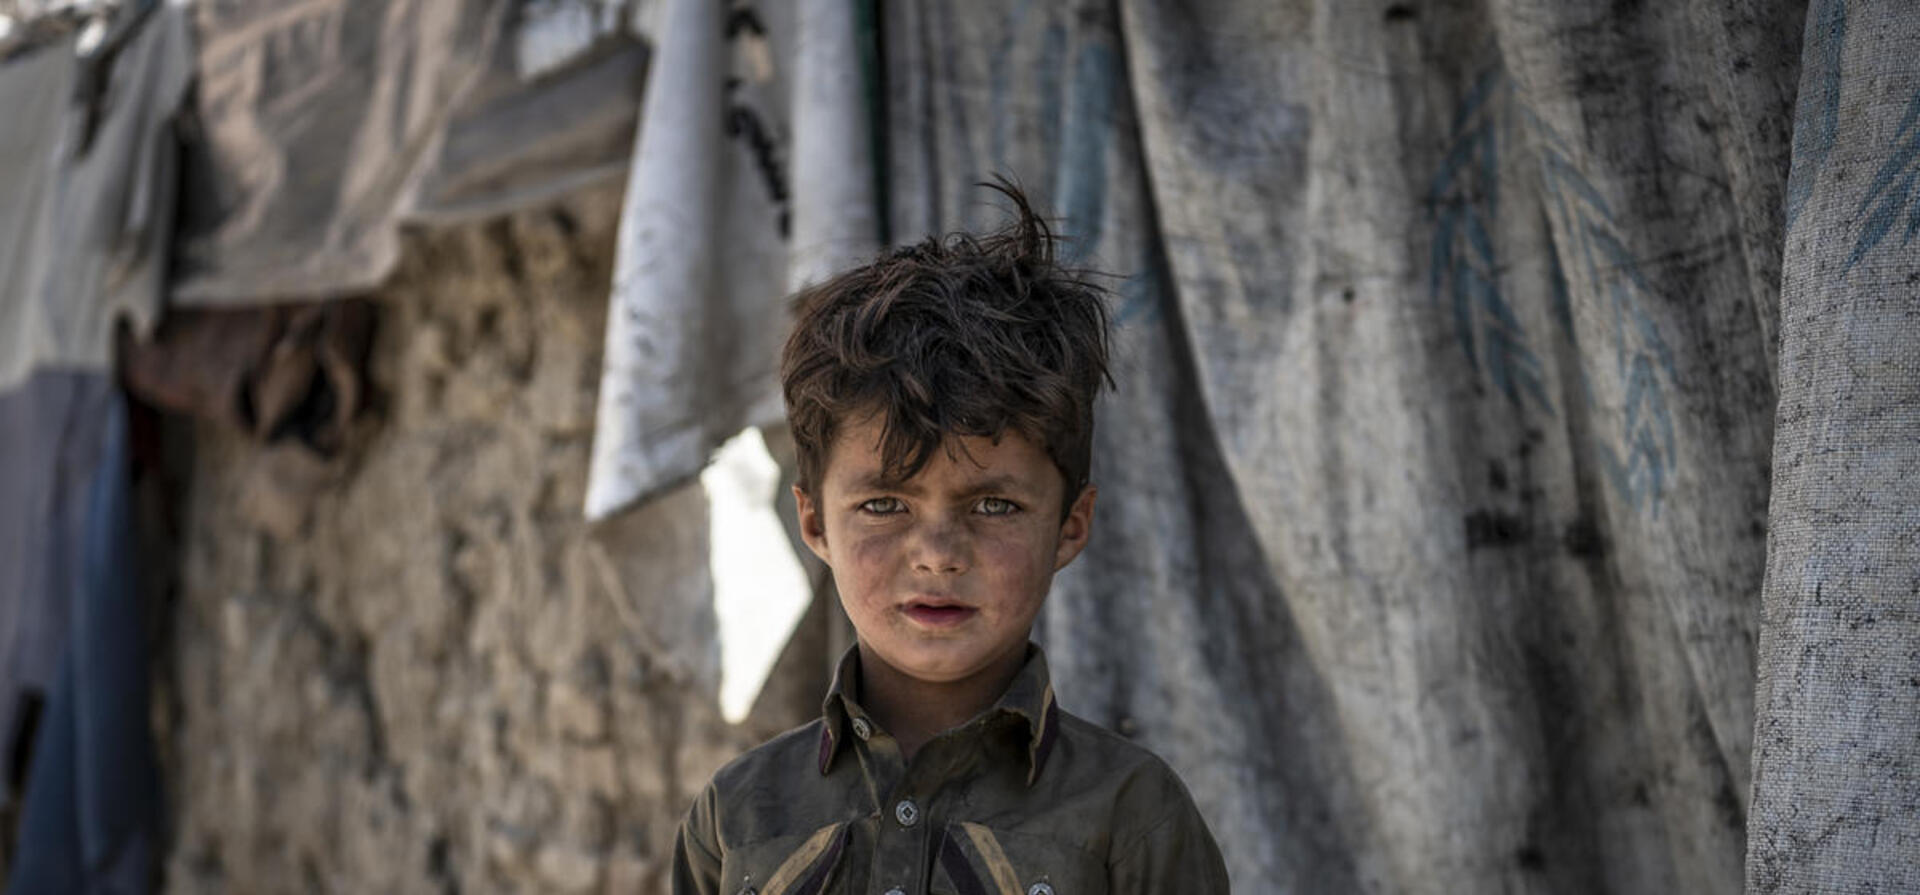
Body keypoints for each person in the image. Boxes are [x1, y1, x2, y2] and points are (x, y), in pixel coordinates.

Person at [671, 183, 1230, 895]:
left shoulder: (1131, 816)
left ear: (1070, 525)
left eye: (994, 505)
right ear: (814, 523)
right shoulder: (738, 818)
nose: (937, 554)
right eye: (883, 505)